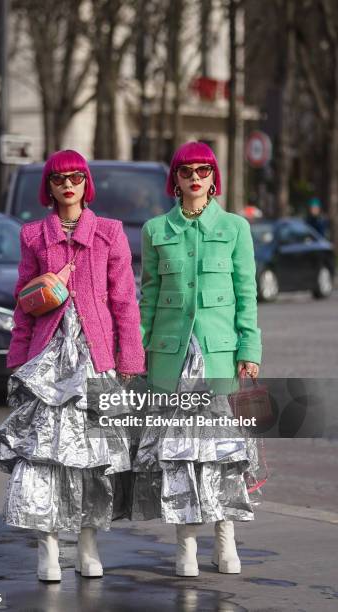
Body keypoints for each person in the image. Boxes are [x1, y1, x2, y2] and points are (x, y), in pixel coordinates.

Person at [0, 149, 145, 582]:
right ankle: (48, 548)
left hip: (96, 358)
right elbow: (23, 302)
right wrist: (18, 357)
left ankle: (89, 545)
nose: (68, 185)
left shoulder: (110, 233)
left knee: (95, 457)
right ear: (49, 187)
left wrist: (130, 356)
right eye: (59, 179)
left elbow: (125, 302)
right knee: (42, 454)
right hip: (46, 361)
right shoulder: (33, 235)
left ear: (86, 183)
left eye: (75, 177)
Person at [134, 141, 263, 577]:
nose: (195, 176)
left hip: (220, 357)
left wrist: (250, 349)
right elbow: (148, 297)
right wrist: (138, 351)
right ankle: (186, 543)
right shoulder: (155, 230)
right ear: (175, 178)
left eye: (203, 169)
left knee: (224, 452)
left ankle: (225, 538)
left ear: (213, 177)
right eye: (186, 170)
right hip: (171, 359)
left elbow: (247, 295)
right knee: (181, 454)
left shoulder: (234, 228)